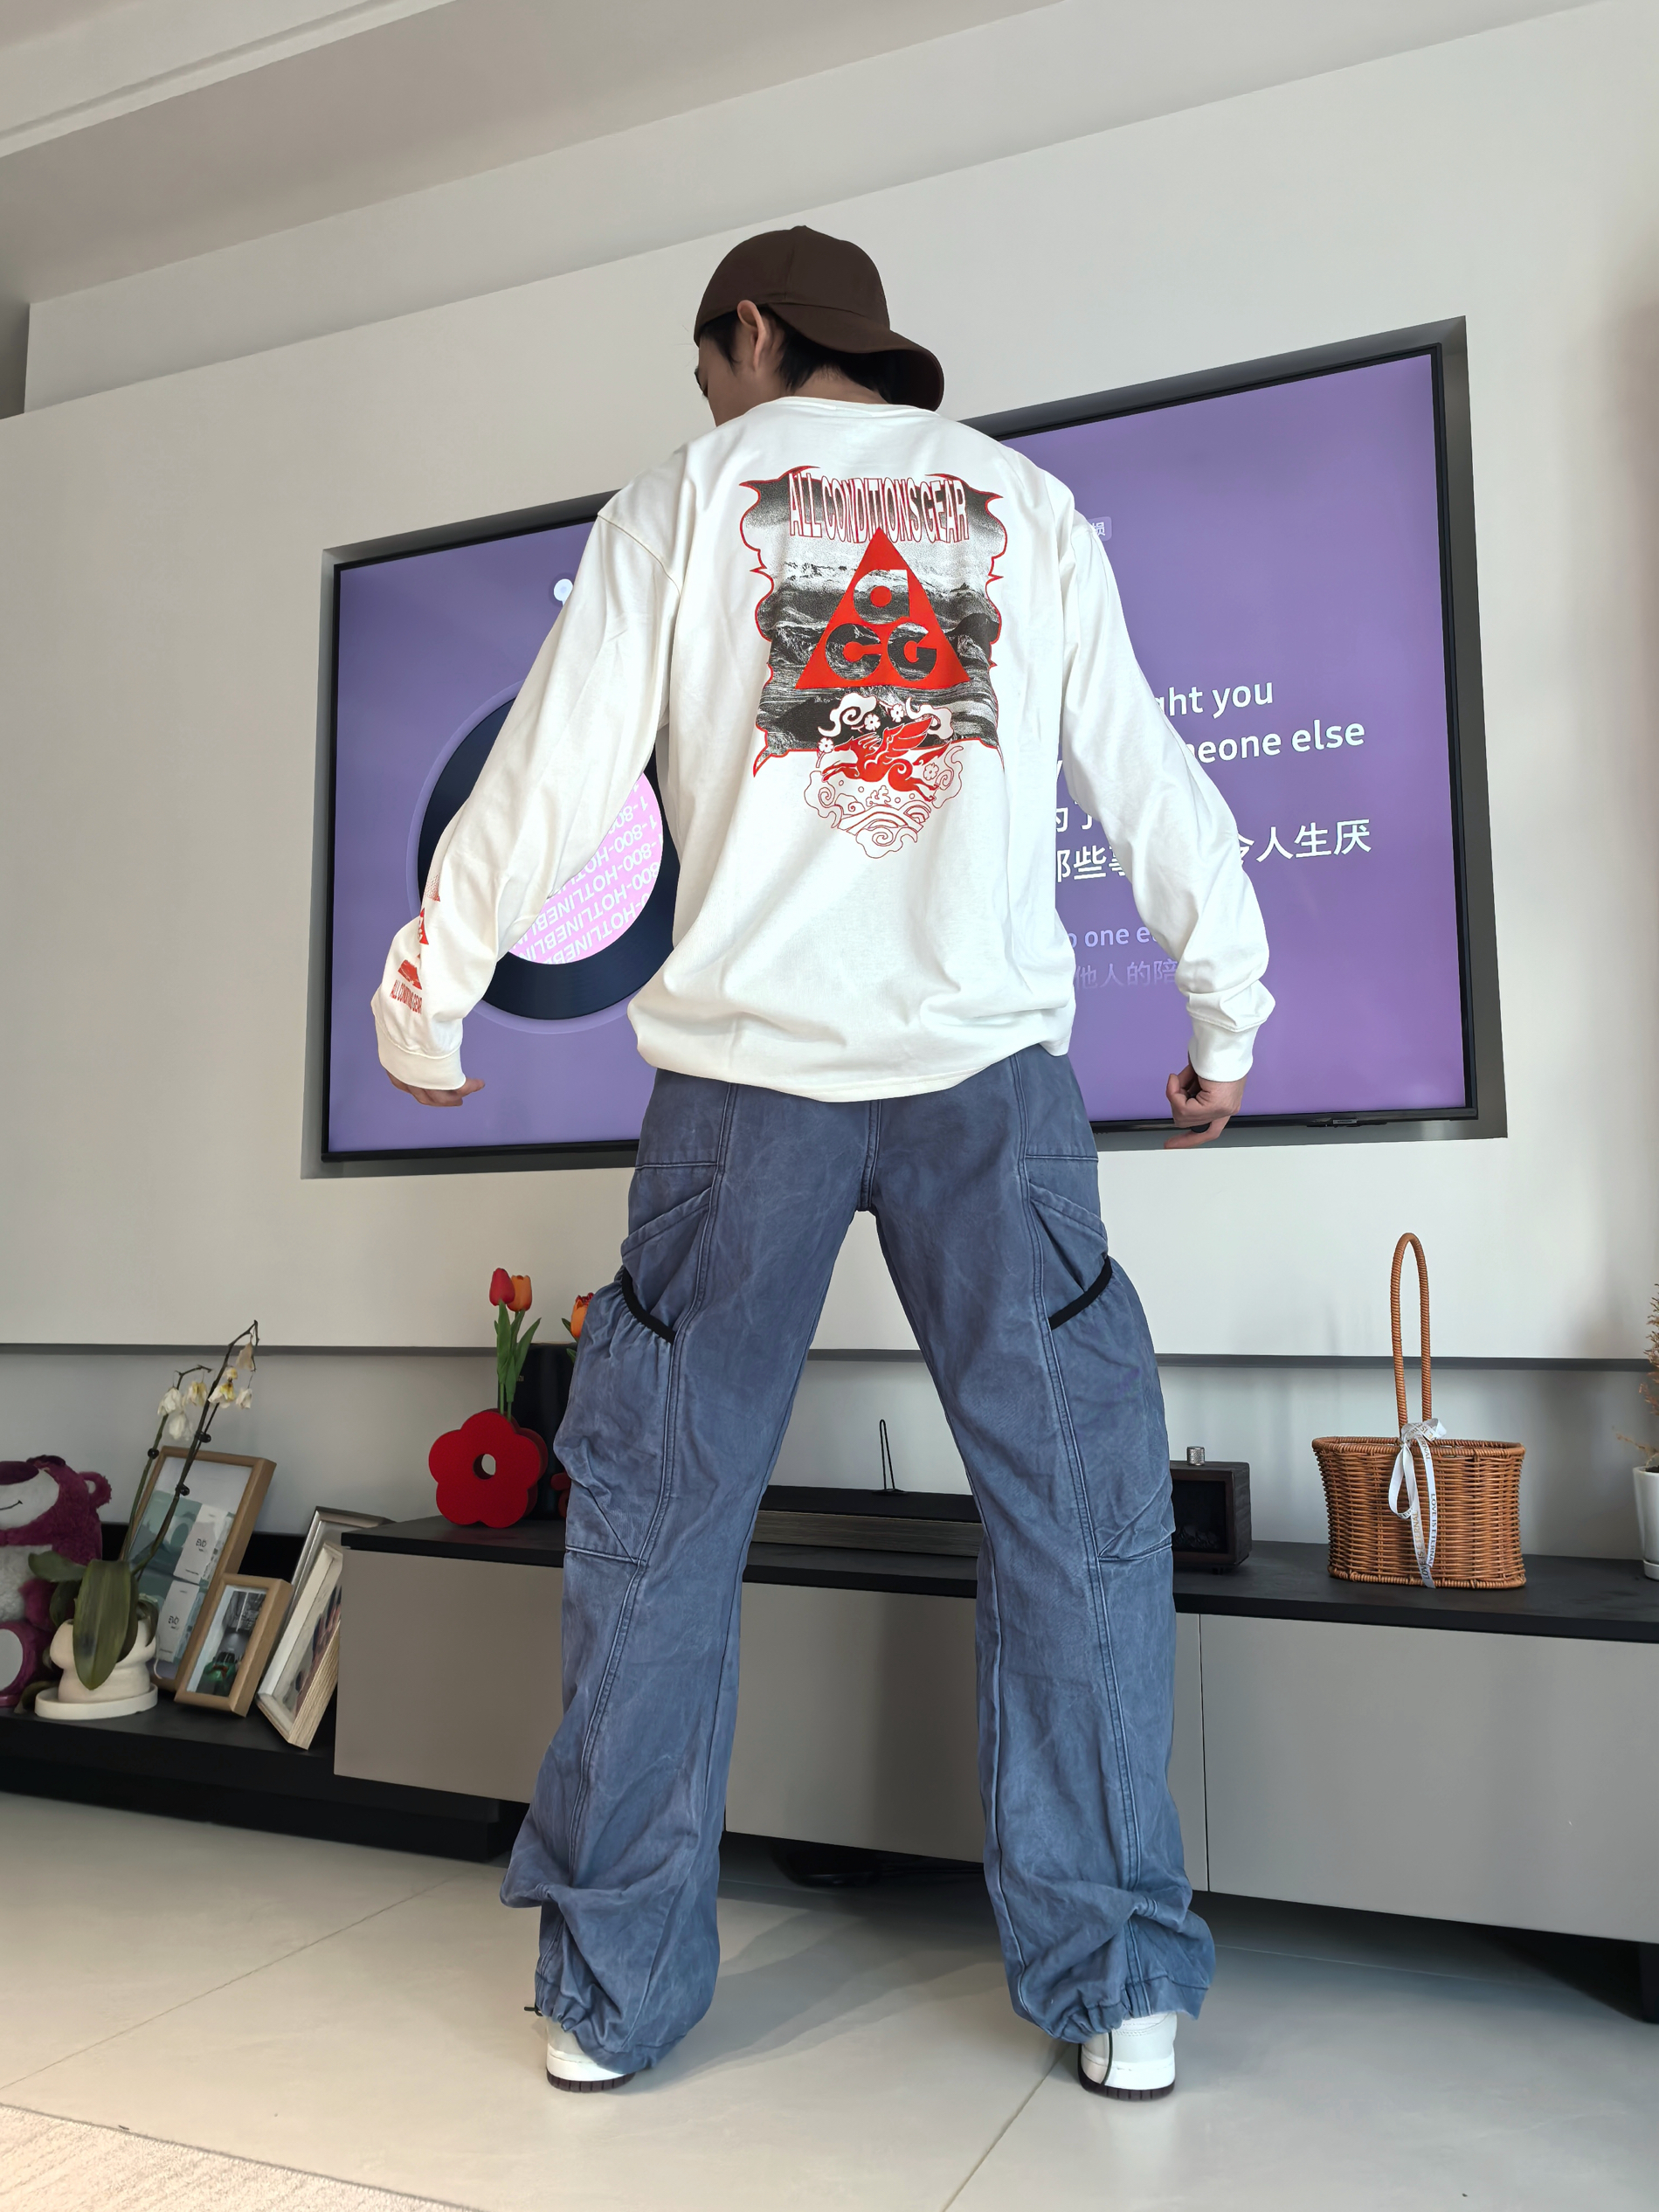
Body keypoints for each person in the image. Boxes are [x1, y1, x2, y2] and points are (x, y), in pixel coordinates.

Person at [372, 226, 1271, 2102]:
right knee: (1081, 1524)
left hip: (742, 1091)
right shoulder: (1024, 504)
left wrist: (428, 1001)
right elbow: (1142, 768)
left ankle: (611, 1994)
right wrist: (1225, 1019)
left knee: (657, 1533)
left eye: (706, 360)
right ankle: (1118, 1983)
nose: (705, 395)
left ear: (756, 330)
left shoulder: (679, 500)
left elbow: (552, 770)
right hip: (990, 1087)